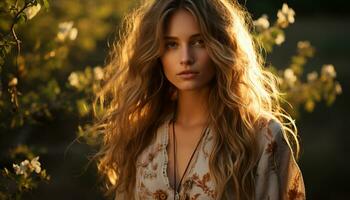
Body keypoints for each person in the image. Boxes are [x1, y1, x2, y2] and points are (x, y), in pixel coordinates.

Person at [92, 0, 305, 199]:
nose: (185, 58)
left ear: (222, 45)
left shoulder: (261, 136)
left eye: (199, 42)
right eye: (171, 45)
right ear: (157, 53)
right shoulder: (141, 135)